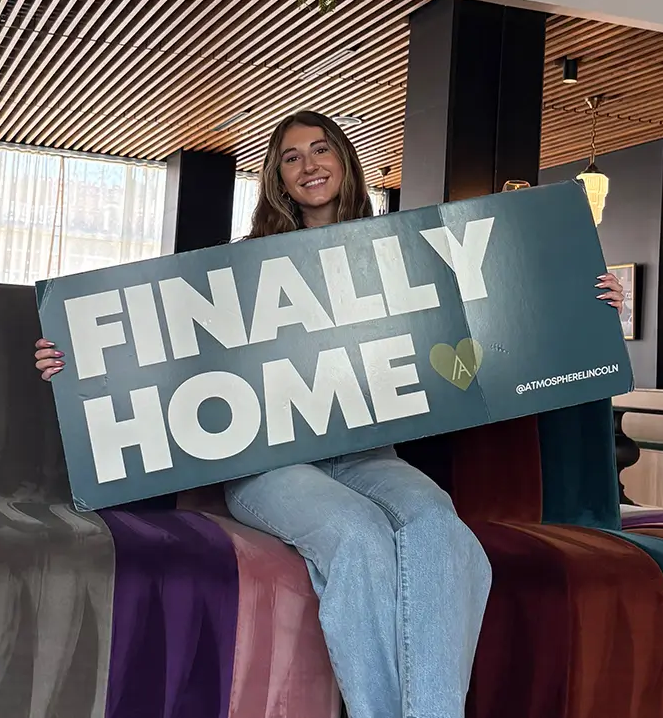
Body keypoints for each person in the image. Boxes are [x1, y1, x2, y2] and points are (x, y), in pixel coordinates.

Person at [34, 111, 625, 718]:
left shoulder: (403, 249)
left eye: (320, 150)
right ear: (278, 177)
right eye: (291, 157)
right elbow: (165, 347)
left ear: (344, 161)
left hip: (369, 456)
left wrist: (586, 298)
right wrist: (75, 359)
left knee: (439, 526)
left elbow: (502, 303)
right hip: (271, 466)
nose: (309, 165)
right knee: (357, 534)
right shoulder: (241, 265)